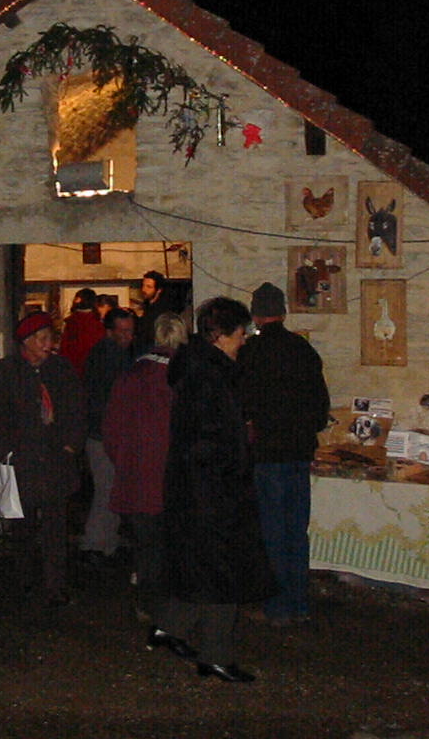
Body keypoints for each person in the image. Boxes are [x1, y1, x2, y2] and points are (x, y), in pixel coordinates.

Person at [155, 297, 275, 683]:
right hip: (211, 492)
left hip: (200, 489)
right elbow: (207, 441)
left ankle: (169, 628)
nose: (245, 341)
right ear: (222, 335)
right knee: (223, 571)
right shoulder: (209, 378)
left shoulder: (205, 372)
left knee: (201, 566)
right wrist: (226, 479)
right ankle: (216, 655)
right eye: (242, 334)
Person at [0, 311, 86, 606]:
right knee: (22, 528)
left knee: (55, 528)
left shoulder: (61, 370)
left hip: (54, 463)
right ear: (27, 342)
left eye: (50, 338)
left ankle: (55, 585)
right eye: (43, 338)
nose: (49, 344)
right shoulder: (5, 373)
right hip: (23, 465)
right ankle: (24, 580)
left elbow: (76, 410)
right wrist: (8, 453)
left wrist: (70, 447)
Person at [239, 281, 330, 626]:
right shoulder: (303, 351)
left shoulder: (251, 353)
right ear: (284, 312)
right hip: (299, 453)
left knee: (273, 532)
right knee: (296, 530)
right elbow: (320, 409)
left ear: (256, 315)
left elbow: (243, 404)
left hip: (267, 454)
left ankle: (277, 607)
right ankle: (300, 603)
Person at [103, 312, 188, 622]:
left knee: (147, 545)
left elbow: (111, 429)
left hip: (138, 478)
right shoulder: (184, 379)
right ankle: (174, 604)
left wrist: (125, 461)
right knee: (173, 543)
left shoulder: (131, 375)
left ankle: (148, 603)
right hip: (174, 479)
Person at [80, 307, 138, 569]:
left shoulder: (112, 354)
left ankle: (106, 543)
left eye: (130, 331)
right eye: (123, 331)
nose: (128, 336)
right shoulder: (109, 357)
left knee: (111, 489)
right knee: (107, 491)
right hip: (103, 435)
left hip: (105, 433)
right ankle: (93, 544)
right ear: (110, 331)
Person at [60, 287, 104, 376]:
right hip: (95, 372)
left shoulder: (70, 323)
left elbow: (64, 349)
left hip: (72, 371)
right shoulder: (97, 324)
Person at [134, 270, 178, 350]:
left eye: (149, 287)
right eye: (143, 286)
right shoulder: (146, 307)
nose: (144, 290)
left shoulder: (161, 310)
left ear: (158, 290)